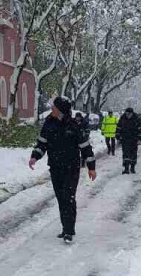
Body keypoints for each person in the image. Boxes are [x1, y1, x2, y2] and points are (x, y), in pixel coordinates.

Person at [29, 96, 96, 244]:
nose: (51, 109)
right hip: (55, 167)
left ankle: (69, 231)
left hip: (71, 168)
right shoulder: (49, 122)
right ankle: (65, 228)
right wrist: (35, 156)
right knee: (61, 198)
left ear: (60, 110)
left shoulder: (74, 125)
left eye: (54, 107)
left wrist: (91, 167)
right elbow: (42, 142)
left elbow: (85, 147)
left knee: (68, 197)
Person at [115, 107, 141, 174]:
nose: (127, 115)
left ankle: (132, 167)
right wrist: (118, 137)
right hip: (125, 139)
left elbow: (140, 129)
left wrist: (140, 139)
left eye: (129, 114)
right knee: (125, 154)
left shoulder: (136, 118)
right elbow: (118, 128)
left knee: (133, 154)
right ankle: (126, 168)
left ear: (132, 113)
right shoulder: (122, 118)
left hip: (134, 139)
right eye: (126, 113)